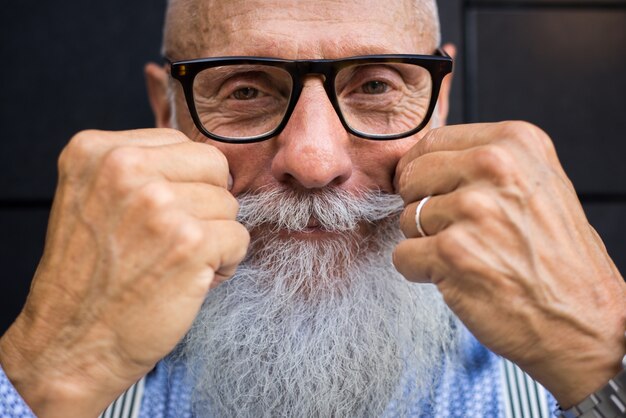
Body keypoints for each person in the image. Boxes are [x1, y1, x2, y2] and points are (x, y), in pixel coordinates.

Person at [1, 0, 625, 417]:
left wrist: (604, 361)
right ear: (168, 111)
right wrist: (50, 373)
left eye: (376, 85)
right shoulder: (67, 382)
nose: (314, 160)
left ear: (439, 104)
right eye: (244, 89)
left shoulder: (569, 365)